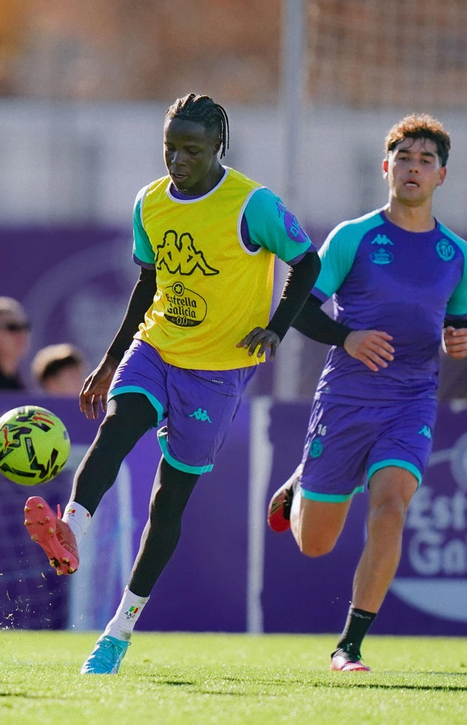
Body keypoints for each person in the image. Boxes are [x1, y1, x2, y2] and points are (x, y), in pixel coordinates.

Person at [22, 94, 321, 674]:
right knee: (118, 425)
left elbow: (305, 263)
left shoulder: (251, 205)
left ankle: (118, 631)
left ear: (218, 148)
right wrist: (111, 361)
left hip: (216, 374)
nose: (177, 161)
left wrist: (277, 329)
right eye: (170, 148)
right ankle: (70, 528)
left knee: (168, 502)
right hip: (156, 348)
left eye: (191, 149)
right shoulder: (150, 204)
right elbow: (147, 282)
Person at [269, 114, 467, 672]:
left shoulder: (458, 253)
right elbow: (300, 311)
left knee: (390, 508)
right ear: (386, 168)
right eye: (404, 158)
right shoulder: (352, 237)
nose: (413, 167)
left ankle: (350, 646)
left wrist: (460, 339)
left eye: (425, 160)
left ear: (442, 176)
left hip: (412, 400)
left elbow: (463, 320)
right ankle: (301, 484)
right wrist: (349, 336)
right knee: (315, 544)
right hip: (346, 399)